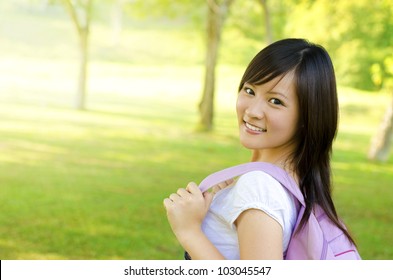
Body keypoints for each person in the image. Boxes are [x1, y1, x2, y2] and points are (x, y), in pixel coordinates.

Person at [163, 38, 356, 260]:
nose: (253, 111)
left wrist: (189, 231)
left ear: (307, 117)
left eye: (276, 101)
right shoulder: (292, 183)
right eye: (249, 90)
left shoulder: (259, 186)